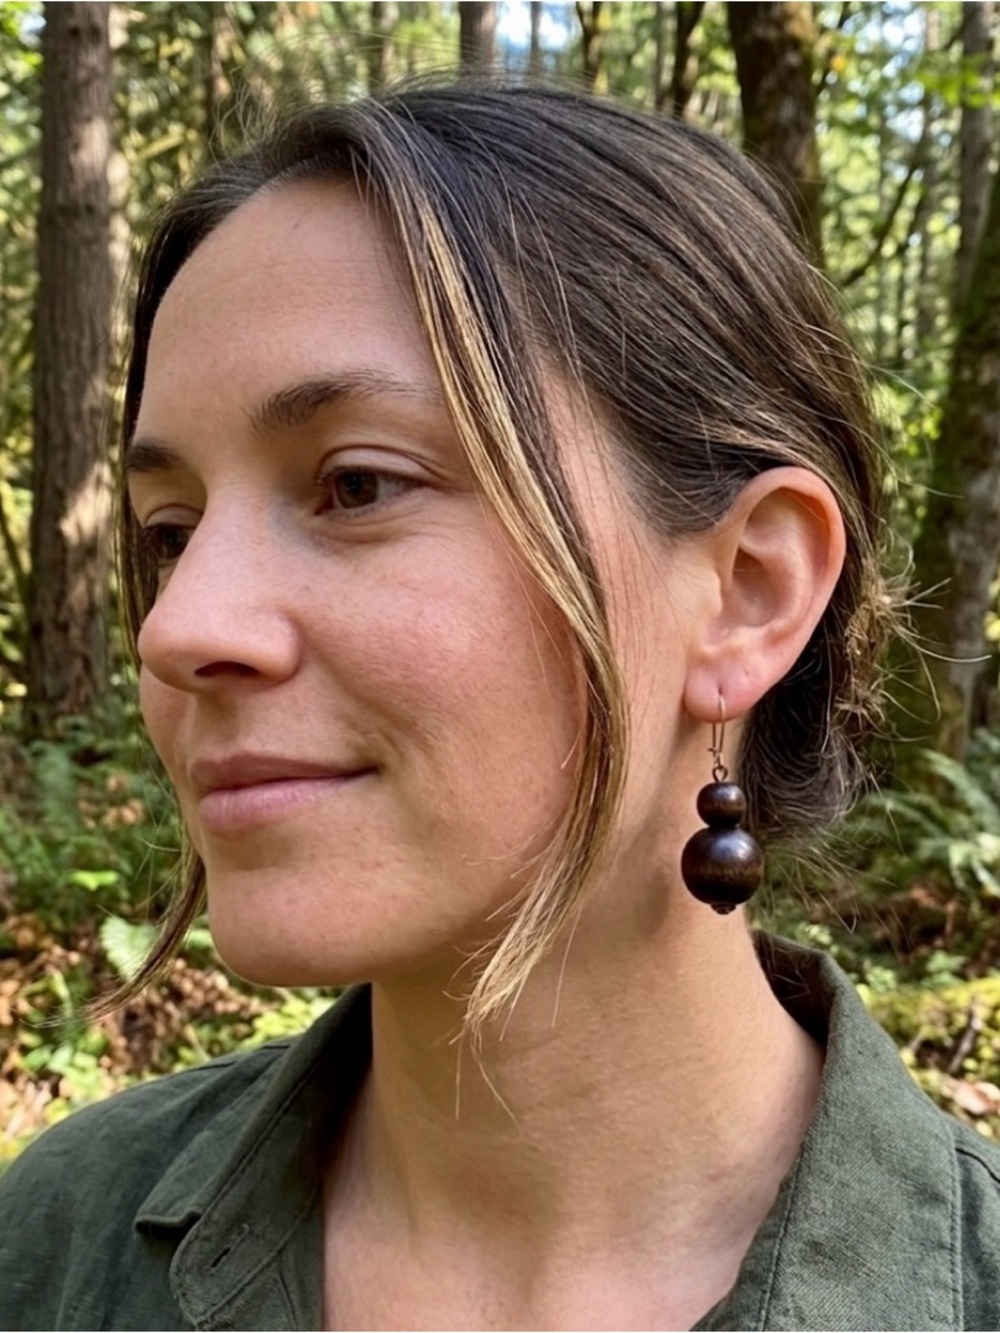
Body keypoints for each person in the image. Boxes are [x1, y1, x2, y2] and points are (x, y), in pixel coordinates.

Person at [2, 81, 999, 1332]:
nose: (179, 626)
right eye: (171, 529)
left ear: (748, 590)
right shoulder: (56, 1246)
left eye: (357, 484)